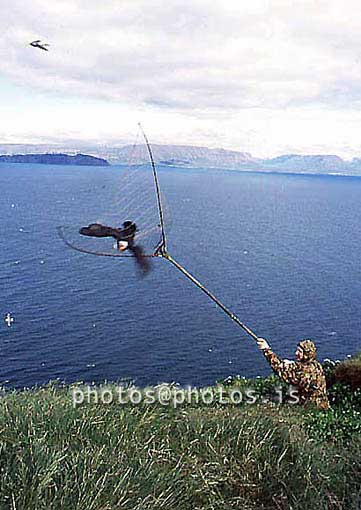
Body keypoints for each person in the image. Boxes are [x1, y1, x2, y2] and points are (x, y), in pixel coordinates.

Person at [256, 337, 330, 410]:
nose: (296, 353)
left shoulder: (301, 370)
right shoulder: (317, 366)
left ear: (306, 354)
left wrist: (266, 349)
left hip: (309, 408)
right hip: (323, 406)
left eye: (300, 352)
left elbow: (279, 368)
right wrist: (291, 364)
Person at [79, 221, 150, 274]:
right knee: (134, 250)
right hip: (123, 237)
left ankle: (144, 265)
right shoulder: (121, 235)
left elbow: (104, 232)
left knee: (134, 250)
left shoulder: (121, 236)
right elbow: (103, 232)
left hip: (124, 237)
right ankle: (144, 265)